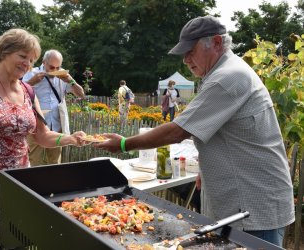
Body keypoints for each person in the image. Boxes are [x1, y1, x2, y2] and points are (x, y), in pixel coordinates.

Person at [95, 15, 294, 247]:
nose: (186, 60)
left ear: (217, 43)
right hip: (245, 202)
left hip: (253, 207)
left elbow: (178, 131)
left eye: (191, 51)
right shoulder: (224, 72)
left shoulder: (227, 77)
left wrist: (123, 144)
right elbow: (231, 133)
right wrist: (208, 166)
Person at [0, 28, 88, 250]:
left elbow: (41, 135)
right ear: (4, 52)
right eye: (22, 56)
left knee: (16, 240)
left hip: (20, 178)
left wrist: (70, 138)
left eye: (31, 60)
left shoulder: (28, 91)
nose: (27, 64)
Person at [22, 50, 85, 166]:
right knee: (35, 161)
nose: (54, 71)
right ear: (43, 62)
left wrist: (71, 81)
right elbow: (18, 93)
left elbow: (81, 94)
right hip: (36, 125)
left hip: (56, 124)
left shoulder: (63, 75)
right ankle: (35, 184)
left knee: (55, 162)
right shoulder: (31, 73)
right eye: (51, 67)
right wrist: (32, 82)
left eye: (58, 67)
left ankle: (53, 183)